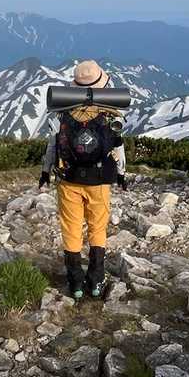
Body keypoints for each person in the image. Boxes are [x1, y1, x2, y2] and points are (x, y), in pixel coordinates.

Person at [39, 60, 127, 299]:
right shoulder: (109, 112)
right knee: (97, 228)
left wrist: (45, 171)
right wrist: (121, 174)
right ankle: (96, 280)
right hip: (99, 181)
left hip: (69, 179)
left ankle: (76, 283)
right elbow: (118, 147)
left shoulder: (63, 111)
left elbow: (52, 146)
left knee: (72, 228)